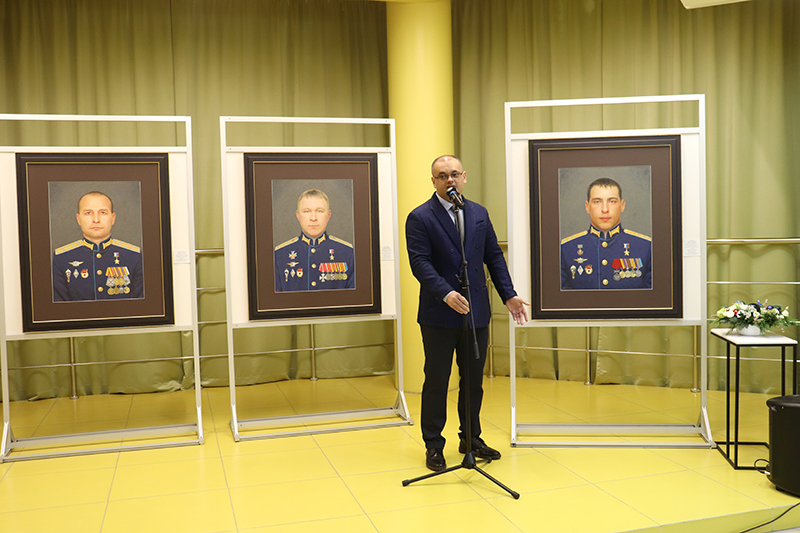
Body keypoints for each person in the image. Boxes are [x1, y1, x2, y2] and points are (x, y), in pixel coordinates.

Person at [406, 155, 529, 472]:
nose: (450, 180)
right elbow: (420, 263)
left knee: (473, 382)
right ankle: (434, 445)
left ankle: (471, 439)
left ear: (464, 177)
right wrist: (446, 293)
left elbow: (494, 257)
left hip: (475, 312)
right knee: (437, 381)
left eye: (454, 174)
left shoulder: (478, 213)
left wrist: (508, 294)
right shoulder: (420, 217)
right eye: (442, 176)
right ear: (433, 181)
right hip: (438, 313)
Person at [560, 177, 652, 290]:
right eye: (597, 202)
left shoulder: (646, 247)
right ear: (587, 207)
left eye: (612, 201)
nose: (605, 209)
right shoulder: (565, 249)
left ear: (622, 205)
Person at [52, 191, 143, 301]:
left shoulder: (134, 256)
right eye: (88, 213)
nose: (96, 220)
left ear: (113, 218)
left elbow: (141, 306)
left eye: (103, 213)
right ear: (78, 219)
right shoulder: (61, 258)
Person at [274, 188, 355, 292]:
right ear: (298, 215)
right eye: (307, 211)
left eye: (319, 211)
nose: (313, 218)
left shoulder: (348, 253)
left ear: (328, 215)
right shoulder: (279, 255)